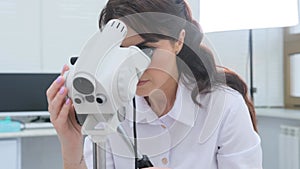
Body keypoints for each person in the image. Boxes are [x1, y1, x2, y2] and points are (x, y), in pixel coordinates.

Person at [46, 0, 263, 169]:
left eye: (145, 49)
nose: (131, 65)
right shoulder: (108, 105)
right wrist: (71, 144)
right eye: (120, 52)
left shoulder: (224, 107)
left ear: (178, 41)